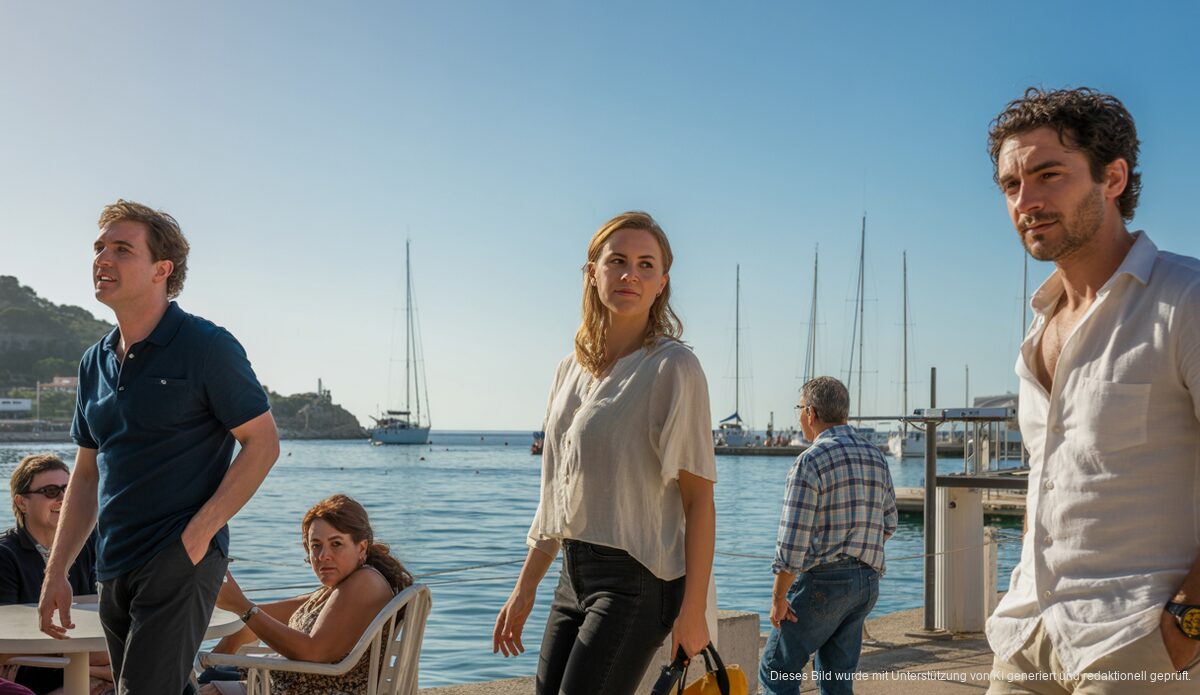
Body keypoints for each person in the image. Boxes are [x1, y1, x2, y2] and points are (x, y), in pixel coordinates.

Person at [984, 88, 1200, 693]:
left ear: (1113, 177)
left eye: (1048, 174)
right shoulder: (1037, 332)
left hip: (1137, 643)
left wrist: (1186, 625)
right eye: (1011, 185)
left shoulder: (1186, 300)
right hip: (1027, 636)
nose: (1027, 200)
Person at [38, 200, 280, 694]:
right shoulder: (93, 362)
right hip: (113, 564)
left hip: (179, 557)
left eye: (122, 249)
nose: (102, 258)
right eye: (99, 247)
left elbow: (263, 444)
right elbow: (86, 475)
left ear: (161, 270)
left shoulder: (207, 346)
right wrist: (57, 571)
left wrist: (198, 535)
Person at [492, 211, 718, 694]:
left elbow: (698, 500)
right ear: (592, 272)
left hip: (638, 579)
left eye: (645, 264)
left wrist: (692, 611)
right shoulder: (568, 370)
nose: (629, 274)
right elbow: (557, 495)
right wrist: (525, 585)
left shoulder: (673, 369)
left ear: (662, 283)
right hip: (571, 575)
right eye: (616, 261)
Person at [759, 376, 896, 695]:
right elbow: (889, 524)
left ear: (810, 412)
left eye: (799, 410)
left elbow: (792, 545)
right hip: (867, 583)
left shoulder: (809, 461)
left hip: (823, 584)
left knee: (777, 671)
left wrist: (779, 598)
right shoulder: (875, 455)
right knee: (837, 679)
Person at [198, 494, 413, 695]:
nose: (323, 556)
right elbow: (263, 616)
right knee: (209, 675)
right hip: (291, 683)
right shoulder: (338, 588)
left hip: (315, 689)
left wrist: (243, 607)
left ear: (362, 548)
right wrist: (233, 606)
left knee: (199, 684)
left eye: (336, 544)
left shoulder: (364, 582)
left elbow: (312, 652)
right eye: (315, 546)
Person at [0, 454, 111, 695]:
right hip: (31, 663)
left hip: (84, 654)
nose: (63, 498)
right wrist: (73, 652)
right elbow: (4, 647)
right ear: (22, 503)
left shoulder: (90, 544)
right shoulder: (4, 556)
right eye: (51, 491)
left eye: (68, 489)